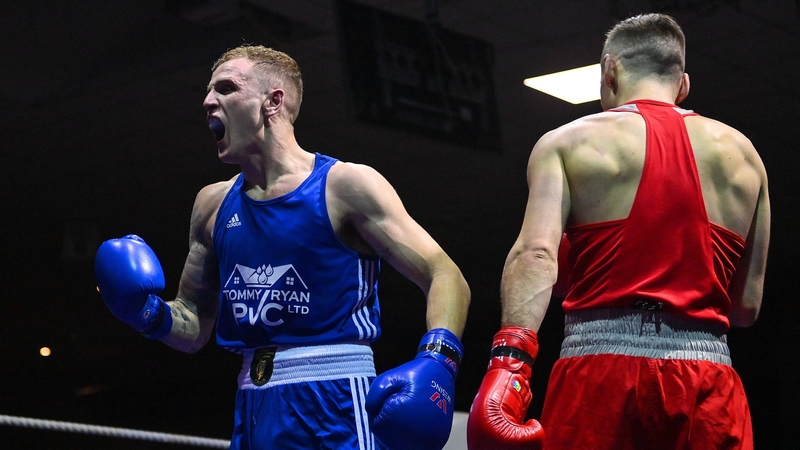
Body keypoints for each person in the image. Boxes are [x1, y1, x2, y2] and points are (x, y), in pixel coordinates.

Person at [94, 45, 470, 450]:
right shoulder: (212, 204)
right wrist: (145, 313)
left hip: (336, 400)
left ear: (273, 101)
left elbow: (444, 273)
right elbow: (193, 327)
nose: (207, 101)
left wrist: (438, 360)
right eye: (208, 91)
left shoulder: (344, 186)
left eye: (226, 88)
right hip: (253, 403)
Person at [467, 13, 769, 450]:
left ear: (608, 71)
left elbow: (534, 254)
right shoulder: (747, 157)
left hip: (600, 374)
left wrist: (508, 363)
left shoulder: (569, 142)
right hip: (709, 384)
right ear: (682, 84)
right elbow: (745, 307)